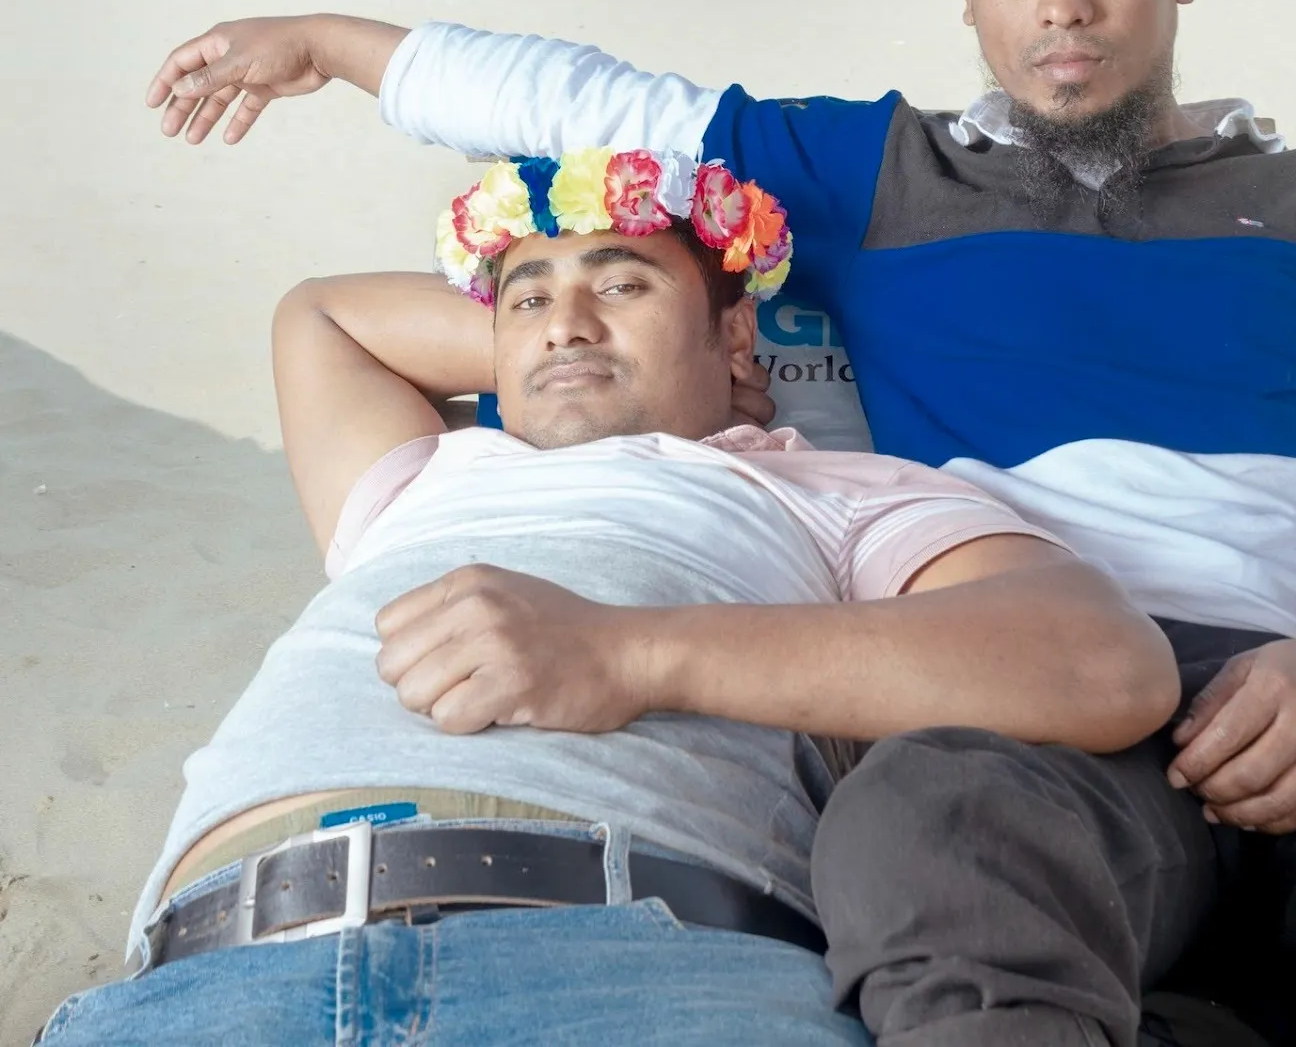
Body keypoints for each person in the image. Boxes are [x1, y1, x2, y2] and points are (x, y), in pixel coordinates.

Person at [144, 0, 1296, 1045]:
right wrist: (333, 46)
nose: (1064, 5)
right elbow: (590, 107)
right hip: (1020, 695)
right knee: (935, 861)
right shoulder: (871, 175)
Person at [34, 148, 1179, 1047]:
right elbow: (319, 312)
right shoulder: (427, 473)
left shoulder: (833, 491)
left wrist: (631, 654)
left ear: (739, 333)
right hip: (216, 972)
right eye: (524, 302)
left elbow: (1096, 664)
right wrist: (571, 329)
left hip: (636, 960)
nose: (564, 321)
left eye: (622, 284)